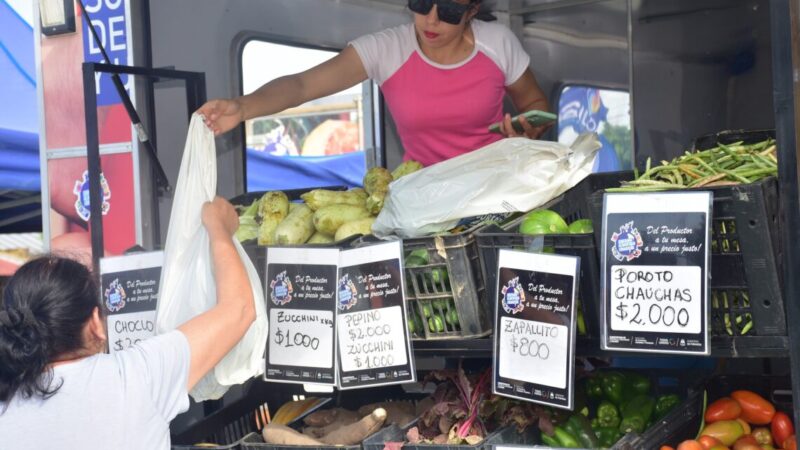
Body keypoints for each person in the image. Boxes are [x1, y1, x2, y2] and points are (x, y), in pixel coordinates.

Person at [0, 197, 254, 449]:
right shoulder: (135, 376)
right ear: (94, 324)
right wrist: (219, 227)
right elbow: (239, 308)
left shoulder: (6, 404)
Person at [199, 0, 550, 167]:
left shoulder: (498, 43)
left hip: (493, 184)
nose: (430, 20)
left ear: (472, 11)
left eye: (449, 12)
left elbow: (536, 105)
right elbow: (302, 86)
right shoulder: (387, 48)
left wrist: (526, 131)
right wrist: (242, 107)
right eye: (421, 3)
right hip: (423, 195)